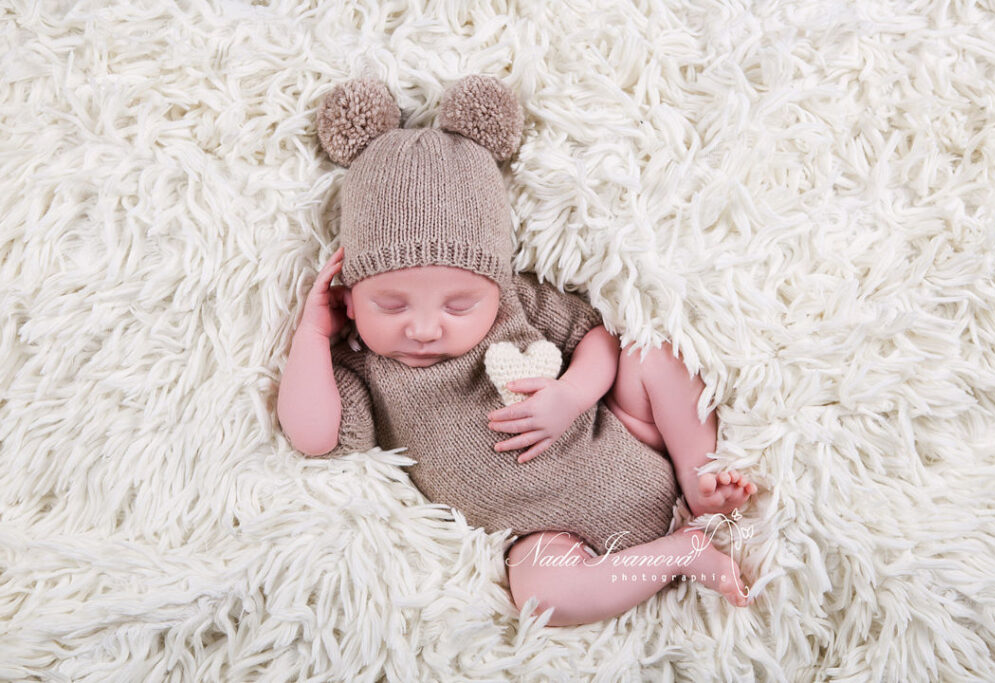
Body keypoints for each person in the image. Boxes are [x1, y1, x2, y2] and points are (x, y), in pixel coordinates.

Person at [278, 75, 758, 627]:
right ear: (352, 301)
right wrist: (313, 336)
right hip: (549, 533)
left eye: (458, 305)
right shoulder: (366, 370)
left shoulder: (516, 304)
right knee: (541, 596)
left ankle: (701, 481)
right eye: (392, 305)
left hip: (626, 433)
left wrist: (572, 396)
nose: (426, 328)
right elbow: (313, 435)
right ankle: (682, 555)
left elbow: (597, 339)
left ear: (495, 281)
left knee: (651, 356)